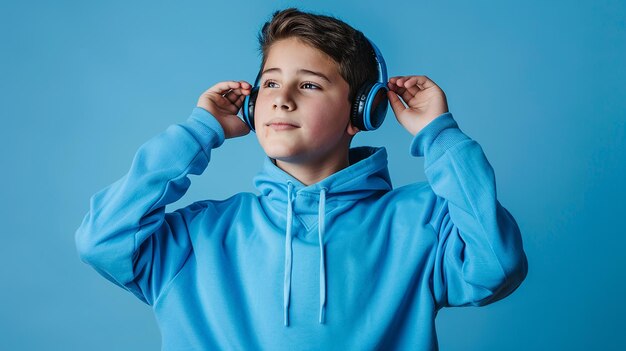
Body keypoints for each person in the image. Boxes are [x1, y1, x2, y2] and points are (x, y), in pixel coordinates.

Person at [75, 7, 528, 350]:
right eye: (270, 84)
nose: (282, 99)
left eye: (309, 84)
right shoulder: (200, 235)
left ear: (359, 113)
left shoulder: (422, 222)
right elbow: (103, 240)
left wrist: (439, 135)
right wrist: (197, 132)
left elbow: (497, 265)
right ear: (252, 107)